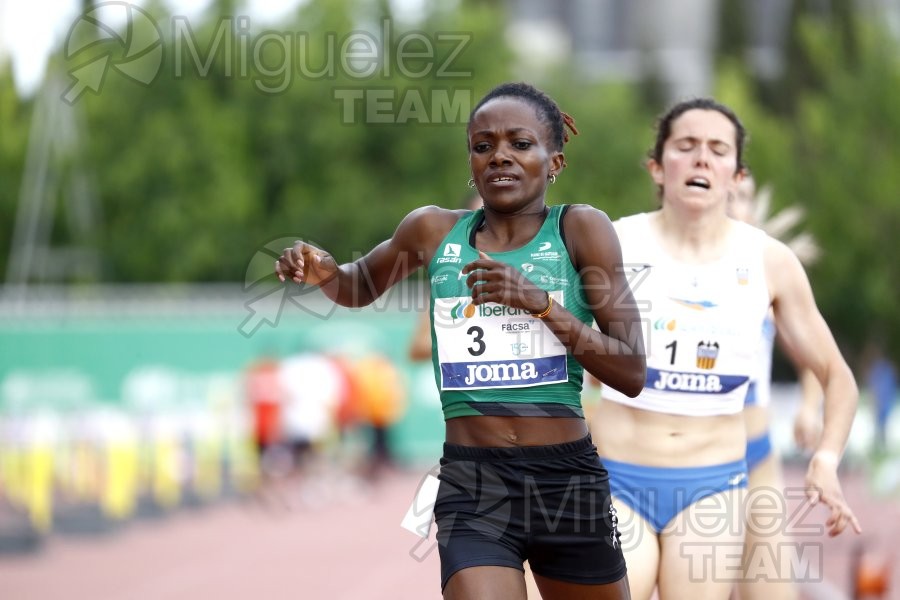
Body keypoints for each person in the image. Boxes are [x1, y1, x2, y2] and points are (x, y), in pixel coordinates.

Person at [277, 81, 646, 600]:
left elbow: (632, 372)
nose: (500, 156)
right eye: (483, 146)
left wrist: (540, 305)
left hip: (566, 481)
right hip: (475, 484)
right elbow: (358, 284)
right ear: (470, 162)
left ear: (555, 162)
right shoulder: (431, 232)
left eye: (521, 144)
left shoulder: (581, 230)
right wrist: (323, 271)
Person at [593, 98, 861, 600]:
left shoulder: (769, 262)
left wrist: (825, 458)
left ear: (737, 176)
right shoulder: (611, 242)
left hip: (711, 488)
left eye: (718, 150)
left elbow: (836, 375)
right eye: (686, 146)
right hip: (617, 479)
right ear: (657, 165)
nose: (701, 159)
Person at [727, 173, 825, 600]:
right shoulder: (658, 267)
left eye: (742, 196)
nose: (732, 203)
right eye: (726, 194)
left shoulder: (767, 278)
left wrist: (809, 406)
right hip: (682, 462)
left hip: (757, 459)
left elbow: (818, 361)